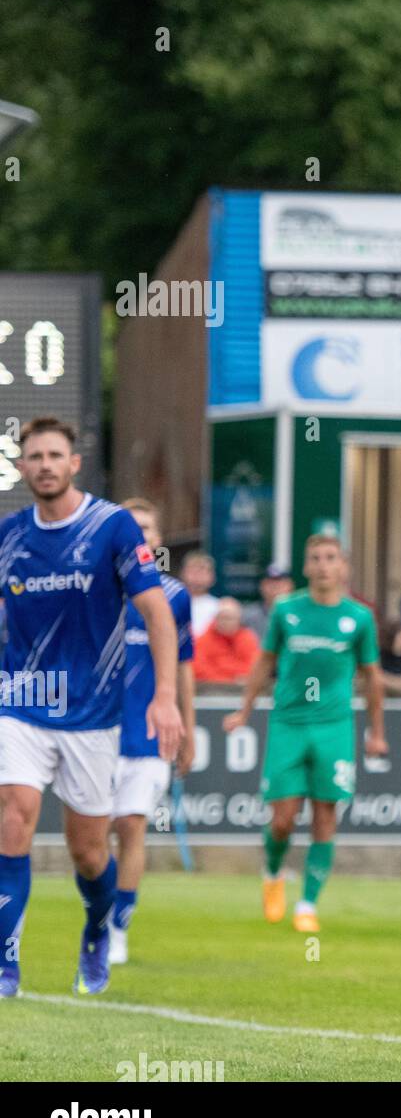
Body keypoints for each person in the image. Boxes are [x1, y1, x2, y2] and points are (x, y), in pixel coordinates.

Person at [0, 417, 182, 999]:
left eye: (56, 454)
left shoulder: (112, 526)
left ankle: (98, 930)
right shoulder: (8, 537)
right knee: (12, 817)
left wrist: (166, 698)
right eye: (35, 456)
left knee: (87, 850)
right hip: (20, 704)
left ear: (74, 463)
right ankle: (6, 963)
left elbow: (157, 613)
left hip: (91, 716)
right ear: (21, 466)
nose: (46, 464)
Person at [224, 535, 385, 934]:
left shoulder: (359, 618)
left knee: (325, 816)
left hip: (334, 728)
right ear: (307, 566)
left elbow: (372, 677)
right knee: (282, 819)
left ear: (343, 565)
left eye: (331, 557)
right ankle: (274, 872)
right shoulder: (287, 610)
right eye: (315, 558)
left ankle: (308, 903)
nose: (323, 565)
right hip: (288, 725)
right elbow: (265, 662)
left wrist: (377, 733)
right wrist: (244, 709)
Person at [109, 499, 196, 966]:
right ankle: (100, 913)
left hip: (147, 735)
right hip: (94, 731)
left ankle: (119, 927)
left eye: (147, 528)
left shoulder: (174, 596)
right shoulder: (96, 590)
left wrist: (189, 726)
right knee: (89, 837)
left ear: (158, 540)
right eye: (131, 527)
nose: (140, 535)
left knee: (131, 826)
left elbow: (185, 667)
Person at [193, 597, 261, 683]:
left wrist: (221, 666)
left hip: (240, 689)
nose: (226, 622)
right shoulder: (203, 640)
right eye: (222, 618)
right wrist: (230, 678)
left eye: (230, 618)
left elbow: (254, 667)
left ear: (239, 620)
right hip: (211, 689)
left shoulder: (248, 638)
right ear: (215, 619)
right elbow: (199, 669)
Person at [241, 564, 295, 641]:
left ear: (290, 586)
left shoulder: (300, 615)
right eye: (270, 583)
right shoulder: (247, 616)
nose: (275, 588)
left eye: (280, 584)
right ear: (261, 586)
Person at [181, 549, 220, 638]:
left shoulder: (220, 607)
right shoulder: (172, 602)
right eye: (192, 570)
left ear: (212, 576)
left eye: (202, 570)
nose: (197, 575)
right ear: (183, 573)